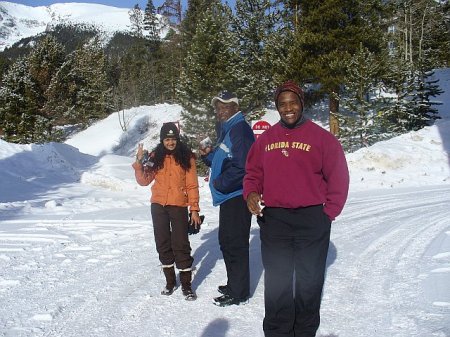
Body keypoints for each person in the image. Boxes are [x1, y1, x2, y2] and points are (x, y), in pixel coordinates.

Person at [243, 81, 349, 336]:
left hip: (312, 220)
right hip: (275, 220)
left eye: (293, 102)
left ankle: (304, 331)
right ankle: (278, 331)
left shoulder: (322, 139)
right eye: (282, 104)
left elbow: (339, 177)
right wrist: (252, 193)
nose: (288, 108)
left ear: (302, 103)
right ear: (277, 107)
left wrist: (328, 213)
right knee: (277, 283)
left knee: (309, 282)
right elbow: (252, 173)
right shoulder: (266, 140)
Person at [132, 122, 202, 301]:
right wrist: (139, 162)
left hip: (178, 205)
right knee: (162, 242)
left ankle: (186, 285)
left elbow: (192, 185)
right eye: (167, 139)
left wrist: (194, 209)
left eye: (173, 139)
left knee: (181, 244)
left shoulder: (187, 157)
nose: (170, 142)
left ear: (177, 139)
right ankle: (170, 282)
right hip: (158, 206)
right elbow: (144, 181)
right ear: (162, 140)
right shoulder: (156, 156)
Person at [200, 90, 255, 307]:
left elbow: (243, 167)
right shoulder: (229, 129)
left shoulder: (239, 130)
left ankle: (239, 292)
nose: (221, 111)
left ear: (235, 108)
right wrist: (207, 155)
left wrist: (218, 183)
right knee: (227, 242)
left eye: (225, 107)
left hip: (237, 195)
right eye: (218, 107)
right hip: (229, 196)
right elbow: (224, 160)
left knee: (236, 244)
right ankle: (234, 284)